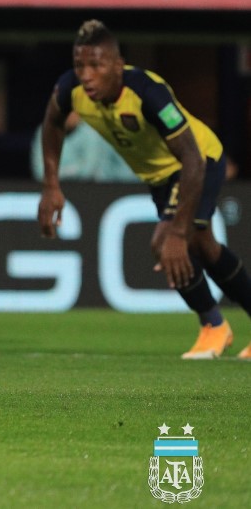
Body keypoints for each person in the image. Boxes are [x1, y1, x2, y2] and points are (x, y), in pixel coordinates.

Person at [38, 19, 251, 360]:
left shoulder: (147, 93)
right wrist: (51, 185)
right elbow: (52, 123)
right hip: (160, 177)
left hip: (199, 161)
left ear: (118, 65)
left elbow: (192, 158)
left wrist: (179, 232)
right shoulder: (70, 90)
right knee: (204, 248)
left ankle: (213, 326)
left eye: (97, 65)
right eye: (80, 66)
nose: (87, 75)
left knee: (173, 242)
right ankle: (216, 326)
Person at [30, 110, 136, 182]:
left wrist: (59, 173)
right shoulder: (44, 132)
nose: (68, 115)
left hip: (87, 189)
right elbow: (40, 172)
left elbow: (89, 170)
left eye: (72, 110)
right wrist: (75, 170)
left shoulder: (91, 132)